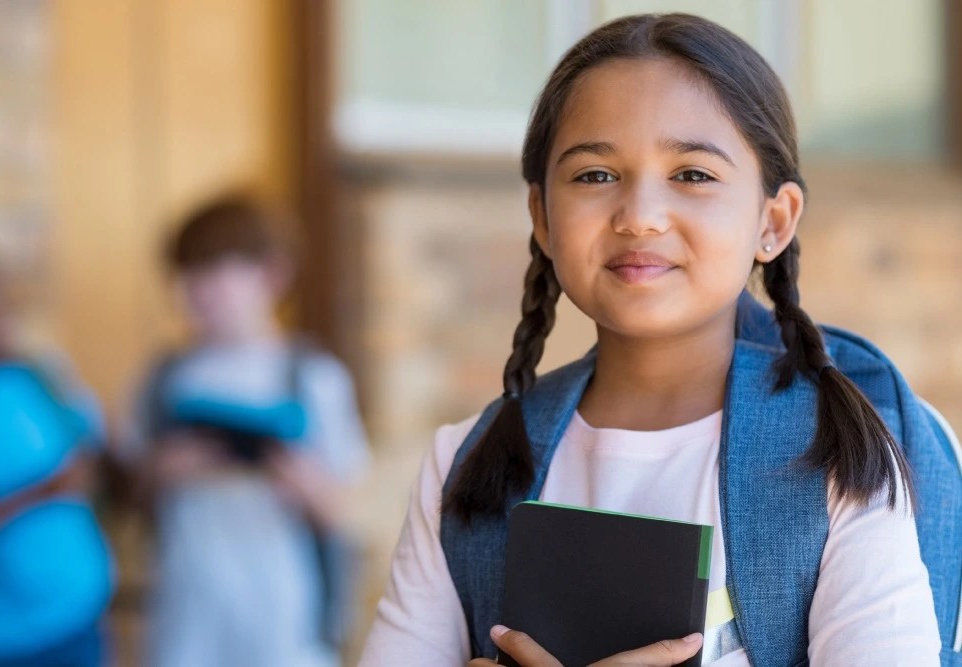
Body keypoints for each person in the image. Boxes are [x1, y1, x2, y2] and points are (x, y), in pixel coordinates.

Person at [358, 13, 959, 667]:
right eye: (594, 175)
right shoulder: (463, 465)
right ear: (542, 216)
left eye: (693, 174)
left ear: (774, 219)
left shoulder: (840, 449)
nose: (639, 216)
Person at [120, 196, 370, 667]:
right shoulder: (161, 378)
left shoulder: (313, 376)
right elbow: (130, 492)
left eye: (214, 271)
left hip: (285, 617)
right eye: (187, 274)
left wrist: (299, 479)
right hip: (184, 614)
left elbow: (342, 511)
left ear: (271, 274)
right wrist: (165, 469)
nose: (196, 291)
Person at [0, 251, 113, 666]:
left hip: (81, 607)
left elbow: (89, 452)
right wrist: (39, 493)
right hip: (1, 637)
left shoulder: (36, 371)